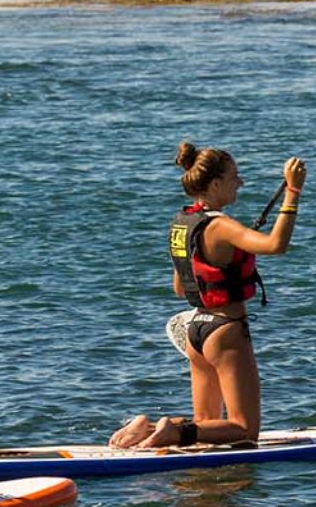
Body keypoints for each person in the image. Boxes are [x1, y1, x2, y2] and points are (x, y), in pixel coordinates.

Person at [109, 142, 305, 451]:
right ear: (214, 184)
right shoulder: (221, 226)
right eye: (233, 177)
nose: (240, 183)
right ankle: (170, 432)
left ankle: (149, 427)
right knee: (244, 430)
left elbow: (180, 287)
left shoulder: (182, 224)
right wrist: (292, 192)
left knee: (206, 423)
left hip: (196, 331)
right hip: (226, 332)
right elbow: (275, 245)